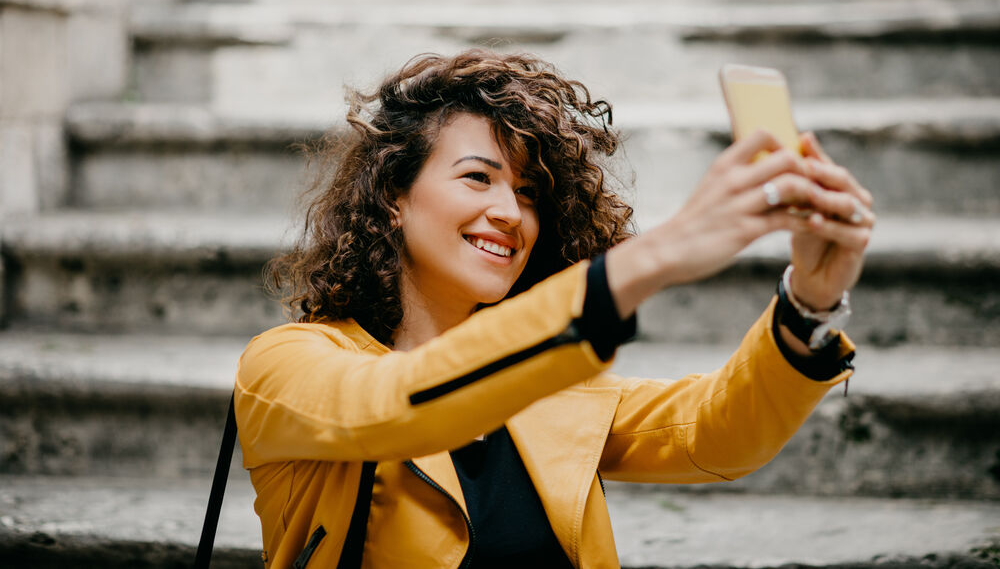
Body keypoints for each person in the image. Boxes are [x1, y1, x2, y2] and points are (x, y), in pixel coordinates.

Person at [235, 49, 874, 568]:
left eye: (530, 192)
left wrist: (809, 301)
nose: (510, 214)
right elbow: (397, 406)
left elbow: (717, 434)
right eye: (477, 178)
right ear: (392, 196)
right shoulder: (285, 365)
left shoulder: (546, 377)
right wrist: (658, 256)